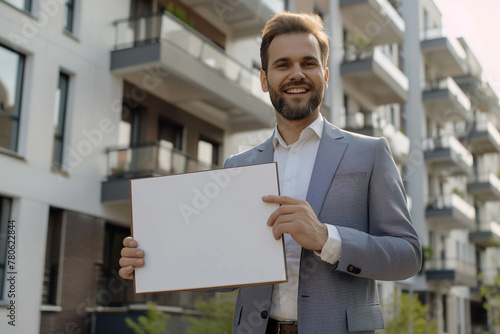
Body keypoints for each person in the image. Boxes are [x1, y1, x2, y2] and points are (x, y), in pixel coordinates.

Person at [119, 11, 422, 334]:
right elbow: (222, 272)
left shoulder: (370, 153)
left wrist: (326, 238)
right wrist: (153, 262)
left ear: (325, 75)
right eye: (282, 65)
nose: (296, 74)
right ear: (264, 80)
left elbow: (407, 255)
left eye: (308, 63)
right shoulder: (239, 167)